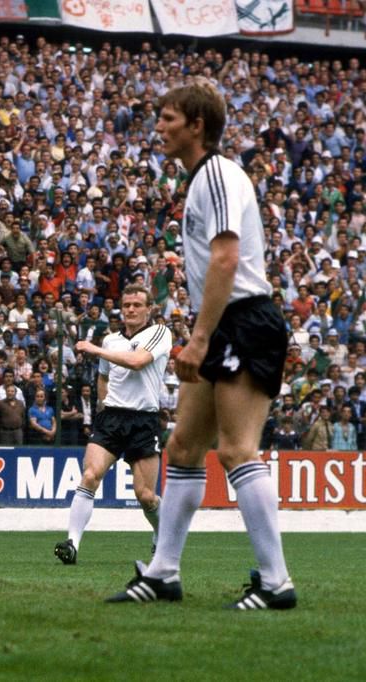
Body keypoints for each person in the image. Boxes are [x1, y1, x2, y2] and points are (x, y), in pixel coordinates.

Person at [107, 80, 295, 609]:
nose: (159, 127)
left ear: (197, 125)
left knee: (236, 450)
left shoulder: (215, 173)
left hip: (242, 321)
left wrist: (199, 337)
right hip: (225, 322)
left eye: (168, 118)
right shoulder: (203, 180)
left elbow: (227, 259)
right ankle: (164, 572)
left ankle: (276, 581)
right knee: (184, 449)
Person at [55, 285, 171, 565]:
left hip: (143, 420)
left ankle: (161, 536)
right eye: (126, 304)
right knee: (90, 476)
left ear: (149, 309)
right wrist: (103, 404)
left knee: (145, 496)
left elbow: (136, 361)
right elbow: (104, 378)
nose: (130, 309)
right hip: (112, 418)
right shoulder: (110, 341)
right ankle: (72, 544)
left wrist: (93, 348)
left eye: (137, 305)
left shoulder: (160, 333)